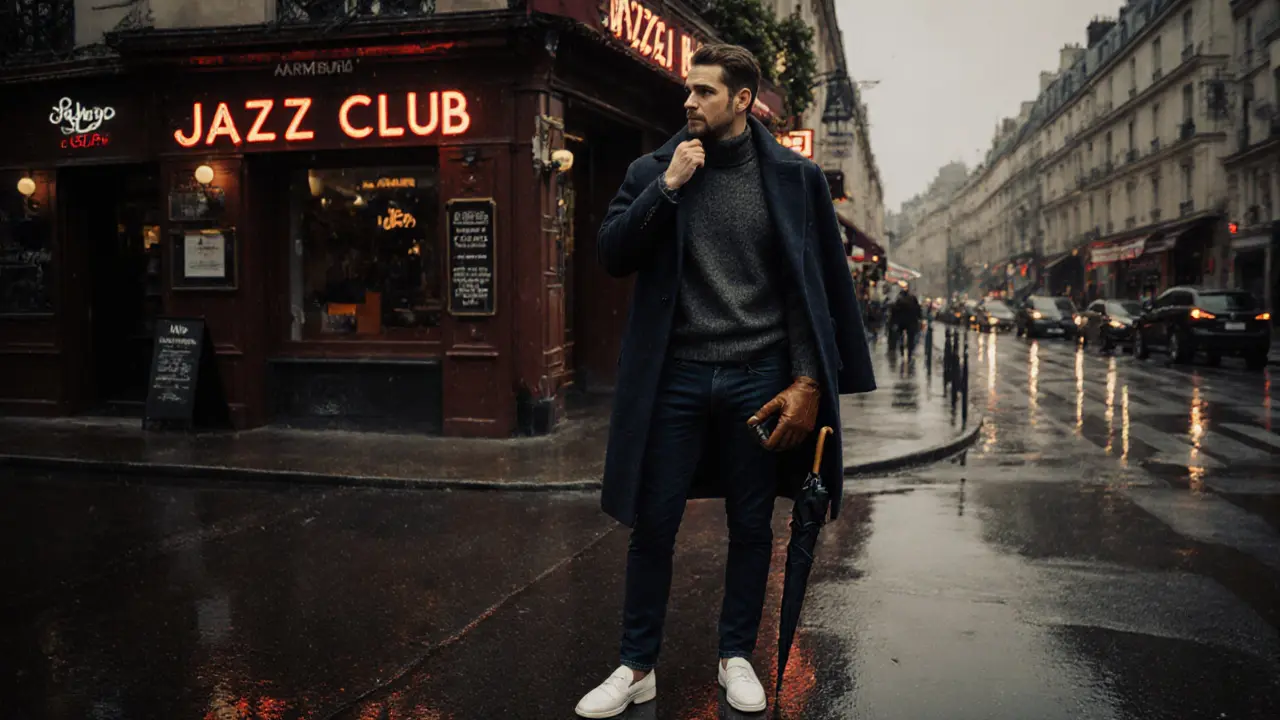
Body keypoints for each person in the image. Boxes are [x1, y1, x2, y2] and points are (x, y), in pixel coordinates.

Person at [575, 44, 875, 718]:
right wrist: (668, 187)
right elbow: (612, 252)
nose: (689, 101)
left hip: (758, 379)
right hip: (673, 378)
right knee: (652, 524)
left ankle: (736, 654)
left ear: (744, 100)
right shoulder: (655, 167)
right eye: (688, 89)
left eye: (705, 92)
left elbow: (811, 292)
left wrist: (808, 381)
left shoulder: (795, 179)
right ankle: (635, 665)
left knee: (750, 524)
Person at [891, 288, 923, 358]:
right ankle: (909, 353)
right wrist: (920, 317)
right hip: (911, 321)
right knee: (911, 338)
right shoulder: (913, 299)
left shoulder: (899, 300)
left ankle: (902, 348)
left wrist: (894, 321)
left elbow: (894, 311)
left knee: (900, 335)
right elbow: (918, 309)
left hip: (901, 322)